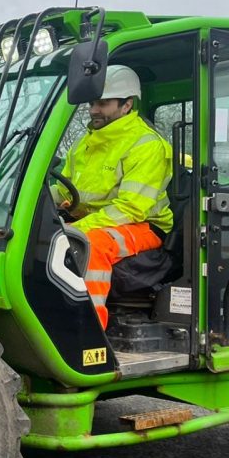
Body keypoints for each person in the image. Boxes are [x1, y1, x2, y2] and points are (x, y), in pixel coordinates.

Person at [54, 65, 173, 328]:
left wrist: (77, 228)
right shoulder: (86, 143)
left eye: (103, 103)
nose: (93, 110)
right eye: (92, 103)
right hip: (97, 220)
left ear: (126, 105)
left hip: (143, 225)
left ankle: (88, 331)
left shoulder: (146, 145)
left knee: (91, 244)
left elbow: (130, 209)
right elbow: (64, 190)